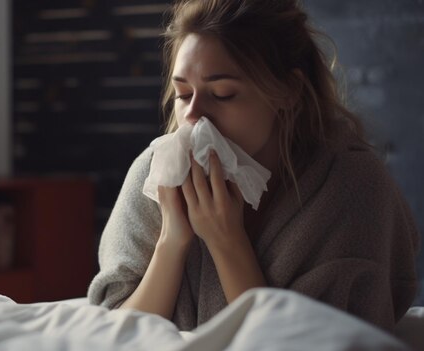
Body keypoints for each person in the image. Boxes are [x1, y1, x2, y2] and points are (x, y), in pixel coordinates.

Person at [87, 0, 420, 332]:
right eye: (183, 94)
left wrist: (227, 241)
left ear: (289, 91)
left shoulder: (351, 186)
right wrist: (171, 242)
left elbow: (310, 341)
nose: (193, 117)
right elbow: (118, 330)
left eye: (222, 94)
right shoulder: (157, 172)